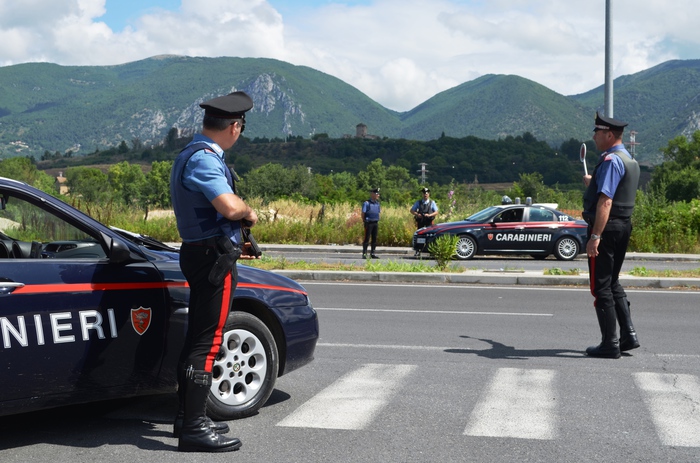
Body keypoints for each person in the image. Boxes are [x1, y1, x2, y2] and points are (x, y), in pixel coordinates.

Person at [170, 91, 258, 452]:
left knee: (198, 338)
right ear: (235, 128)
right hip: (212, 258)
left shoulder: (191, 152)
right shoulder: (205, 158)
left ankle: (188, 416)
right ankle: (193, 427)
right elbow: (227, 205)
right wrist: (247, 212)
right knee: (207, 344)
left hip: (203, 253)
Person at [582, 112, 640, 359]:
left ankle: (610, 344)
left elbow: (605, 202)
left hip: (607, 228)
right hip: (623, 225)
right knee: (613, 281)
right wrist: (593, 183)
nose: (594, 136)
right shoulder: (628, 159)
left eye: (597, 132)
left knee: (600, 286)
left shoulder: (610, 161)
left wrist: (595, 237)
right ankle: (628, 335)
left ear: (608, 134)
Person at [361, 188, 381, 258]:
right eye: (376, 194)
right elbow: (363, 213)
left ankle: (372, 253)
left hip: (375, 222)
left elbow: (378, 212)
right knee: (367, 238)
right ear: (372, 194)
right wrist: (364, 221)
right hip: (368, 222)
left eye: (378, 194)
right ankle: (364, 253)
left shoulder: (377, 203)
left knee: (374, 238)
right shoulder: (366, 203)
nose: (378, 195)